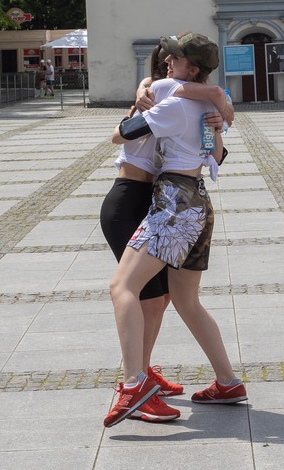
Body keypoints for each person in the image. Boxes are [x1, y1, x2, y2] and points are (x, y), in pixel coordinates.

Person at [104, 32, 245, 427]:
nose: (167, 61)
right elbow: (217, 154)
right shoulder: (207, 106)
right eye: (166, 57)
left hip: (174, 202)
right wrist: (219, 107)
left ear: (192, 69)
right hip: (198, 202)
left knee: (123, 287)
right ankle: (228, 381)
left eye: (175, 58)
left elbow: (120, 135)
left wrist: (140, 102)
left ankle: (134, 385)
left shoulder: (174, 99)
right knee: (186, 301)